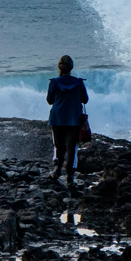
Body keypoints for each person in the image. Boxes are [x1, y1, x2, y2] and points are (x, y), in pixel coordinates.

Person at [46, 55, 88, 185]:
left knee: (58, 146)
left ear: (59, 67)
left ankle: (57, 170)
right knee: (72, 149)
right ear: (71, 68)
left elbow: (49, 100)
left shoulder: (54, 82)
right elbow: (85, 99)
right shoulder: (78, 83)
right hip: (74, 120)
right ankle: (70, 177)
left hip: (57, 118)